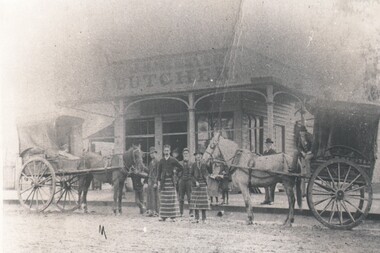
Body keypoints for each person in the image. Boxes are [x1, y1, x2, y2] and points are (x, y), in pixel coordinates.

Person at [157, 144, 183, 222]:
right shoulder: (161, 161)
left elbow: (180, 167)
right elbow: (159, 172)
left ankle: (173, 216)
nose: (166, 152)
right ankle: (163, 216)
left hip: (171, 182)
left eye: (168, 150)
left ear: (170, 151)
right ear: (163, 151)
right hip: (164, 182)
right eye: (165, 150)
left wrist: (175, 172)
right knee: (164, 199)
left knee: (171, 199)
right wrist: (158, 181)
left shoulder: (173, 159)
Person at [190, 150, 211, 223]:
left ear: (201, 156)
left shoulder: (204, 164)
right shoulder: (193, 165)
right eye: (197, 155)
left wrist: (210, 162)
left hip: (203, 183)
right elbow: (191, 175)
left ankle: (204, 219)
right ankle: (196, 218)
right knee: (196, 201)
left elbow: (210, 171)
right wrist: (195, 182)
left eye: (199, 155)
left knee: (203, 202)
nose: (198, 156)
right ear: (195, 157)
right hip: (196, 184)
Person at [177, 148, 193, 217]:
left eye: (187, 153)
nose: (185, 155)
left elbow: (193, 173)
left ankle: (191, 212)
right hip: (182, 181)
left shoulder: (192, 163)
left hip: (189, 181)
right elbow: (176, 172)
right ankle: (181, 212)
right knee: (181, 197)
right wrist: (179, 178)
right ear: (182, 155)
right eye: (184, 154)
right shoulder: (179, 163)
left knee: (190, 197)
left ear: (189, 155)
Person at [261, 138, 277, 205]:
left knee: (272, 185)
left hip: (271, 170)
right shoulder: (265, 152)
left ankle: (272, 200)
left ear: (271, 144)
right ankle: (266, 199)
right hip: (265, 170)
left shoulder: (273, 152)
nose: (268, 145)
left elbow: (275, 161)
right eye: (267, 144)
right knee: (266, 185)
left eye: (269, 144)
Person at [146, 147, 160, 217]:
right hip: (150, 180)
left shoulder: (157, 162)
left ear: (155, 153)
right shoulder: (150, 163)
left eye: (153, 153)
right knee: (150, 196)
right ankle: (150, 211)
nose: (152, 154)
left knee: (155, 196)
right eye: (151, 153)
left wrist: (156, 182)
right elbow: (149, 172)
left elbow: (158, 172)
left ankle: (156, 211)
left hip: (154, 181)